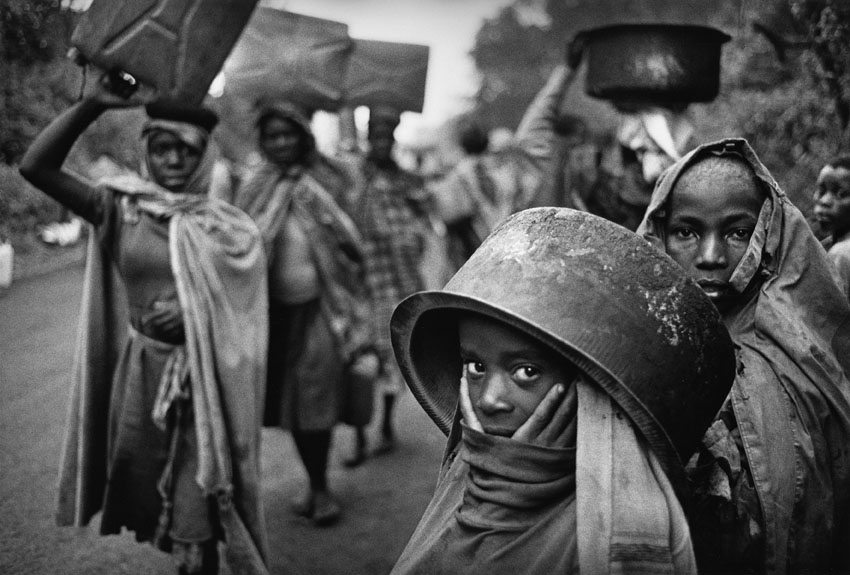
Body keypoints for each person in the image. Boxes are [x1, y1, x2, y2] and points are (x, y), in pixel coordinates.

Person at [388, 206, 737, 574]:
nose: (489, 399)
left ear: (588, 390)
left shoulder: (624, 526)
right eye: (475, 366)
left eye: (526, 372)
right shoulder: (464, 477)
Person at [18, 74, 270, 575]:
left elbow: (246, 311)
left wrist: (197, 312)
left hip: (206, 383)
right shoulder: (120, 208)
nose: (174, 161)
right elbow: (36, 167)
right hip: (143, 373)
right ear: (145, 152)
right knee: (158, 496)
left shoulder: (226, 226)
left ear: (206, 156)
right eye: (162, 149)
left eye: (186, 150)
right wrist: (92, 104)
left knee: (197, 505)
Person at [637, 137, 850, 574]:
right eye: (686, 232)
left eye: (738, 233)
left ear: (769, 236)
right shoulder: (628, 351)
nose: (711, 257)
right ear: (659, 233)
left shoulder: (807, 360)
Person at [234, 100, 377, 526]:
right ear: (261, 142)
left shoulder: (326, 180)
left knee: (314, 400)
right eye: (272, 136)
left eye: (289, 133)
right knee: (293, 406)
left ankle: (319, 487)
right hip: (273, 316)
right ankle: (314, 480)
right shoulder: (253, 186)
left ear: (303, 136)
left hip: (323, 310)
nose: (281, 143)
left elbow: (352, 236)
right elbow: (238, 244)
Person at [341, 104, 432, 464]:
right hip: (363, 281)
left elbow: (426, 217)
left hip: (400, 280)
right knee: (362, 357)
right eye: (374, 137)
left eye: (386, 136)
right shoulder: (353, 176)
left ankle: (386, 427)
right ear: (366, 138)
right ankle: (360, 435)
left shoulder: (406, 179)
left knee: (395, 355)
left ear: (393, 139)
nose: (380, 143)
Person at [813, 155, 850, 298]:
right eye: (821, 191)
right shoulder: (827, 246)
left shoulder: (841, 253)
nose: (824, 201)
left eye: (841, 194)